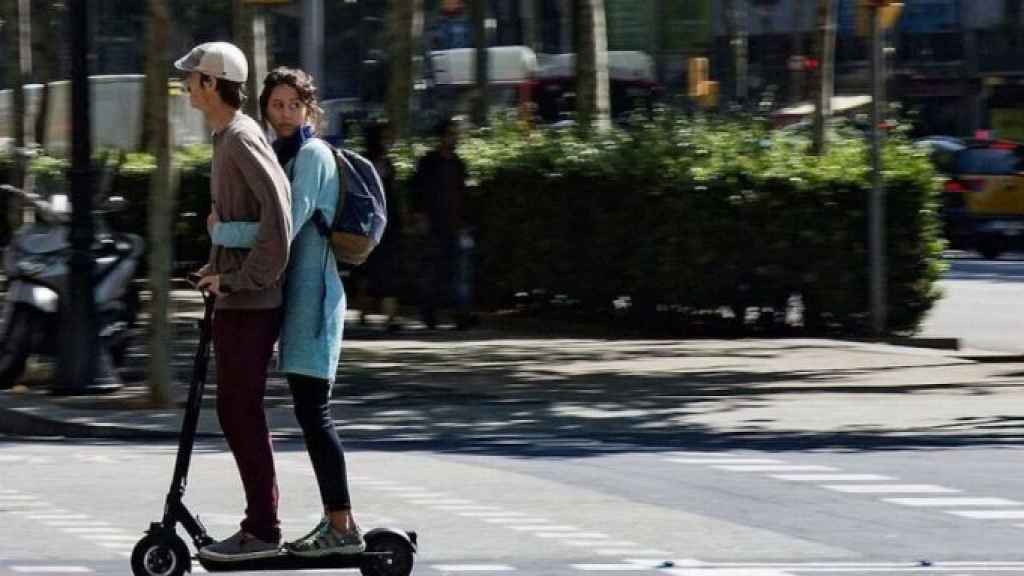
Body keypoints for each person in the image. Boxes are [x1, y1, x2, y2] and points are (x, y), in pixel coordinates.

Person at [209, 67, 365, 558]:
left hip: (313, 304)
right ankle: (338, 524)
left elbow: (285, 226)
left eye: (293, 106)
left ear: (309, 109)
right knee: (307, 410)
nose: (283, 114)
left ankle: (342, 526)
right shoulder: (279, 155)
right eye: (275, 106)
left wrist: (222, 231)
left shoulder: (313, 156)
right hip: (291, 302)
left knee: (314, 413)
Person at [174, 42, 293, 561]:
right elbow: (245, 221)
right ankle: (260, 524)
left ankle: (263, 529)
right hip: (237, 298)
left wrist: (241, 279)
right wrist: (216, 267)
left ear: (211, 83)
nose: (185, 85)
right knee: (234, 409)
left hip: (253, 303)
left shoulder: (242, 138)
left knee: (241, 410)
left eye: (192, 77)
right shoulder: (227, 137)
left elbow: (279, 220)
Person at [410, 117, 477, 330]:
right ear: (441, 137)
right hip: (434, 224)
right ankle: (430, 312)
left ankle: (461, 314)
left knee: (458, 271)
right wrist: (420, 216)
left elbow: (463, 194)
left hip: (455, 225)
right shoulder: (428, 162)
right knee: (433, 270)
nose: (454, 138)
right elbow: (418, 192)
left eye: (455, 134)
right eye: (450, 134)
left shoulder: (458, 163)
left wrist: (466, 222)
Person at [361, 120, 404, 331]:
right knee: (370, 269)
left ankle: (390, 315)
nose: (389, 143)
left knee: (388, 270)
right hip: (369, 225)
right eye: (385, 138)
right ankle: (366, 309)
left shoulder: (388, 164)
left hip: (389, 226)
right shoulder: (366, 163)